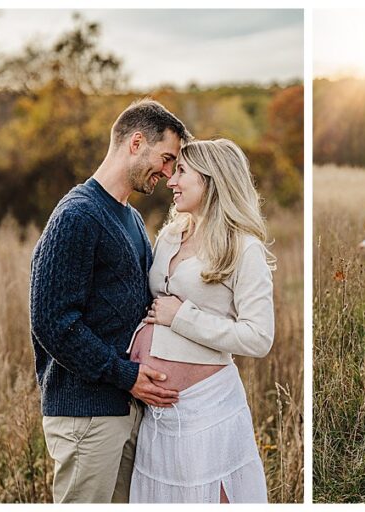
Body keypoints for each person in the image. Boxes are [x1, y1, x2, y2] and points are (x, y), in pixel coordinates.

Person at [29, 98, 190, 503]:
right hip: (86, 416)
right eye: (166, 158)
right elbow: (52, 322)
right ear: (136, 143)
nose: (167, 173)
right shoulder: (77, 216)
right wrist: (125, 375)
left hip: (125, 408)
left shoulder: (131, 218)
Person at [128, 139, 275, 503]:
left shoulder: (243, 248)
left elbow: (259, 337)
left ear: (211, 179)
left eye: (181, 172)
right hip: (158, 412)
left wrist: (183, 318)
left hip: (209, 408)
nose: (170, 181)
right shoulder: (170, 235)